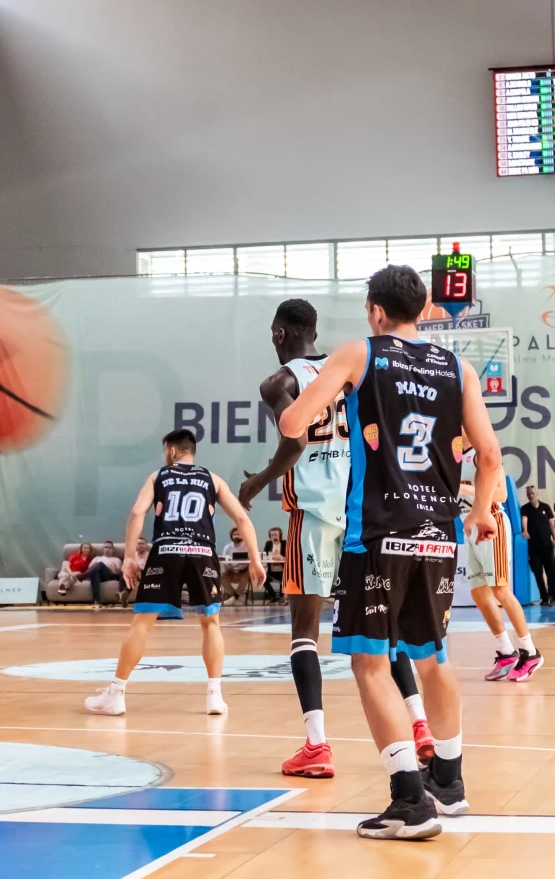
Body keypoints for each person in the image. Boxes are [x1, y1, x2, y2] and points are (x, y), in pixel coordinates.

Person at [275, 265, 500, 841]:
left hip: (376, 532)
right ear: (424, 310)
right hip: (436, 531)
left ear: (375, 310)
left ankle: (408, 798)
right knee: (432, 656)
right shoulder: (459, 367)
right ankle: (448, 783)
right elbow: (491, 459)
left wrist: (301, 409)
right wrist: (478, 514)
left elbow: (296, 420)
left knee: (369, 662)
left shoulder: (359, 352)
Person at [240, 298, 360, 776]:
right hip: (354, 512)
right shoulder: (347, 372)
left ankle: (317, 745)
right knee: (377, 629)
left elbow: (295, 440)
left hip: (310, 513)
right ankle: (418, 729)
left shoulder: (280, 382)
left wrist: (257, 481)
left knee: (305, 633)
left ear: (279, 333)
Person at [86, 427, 264, 720]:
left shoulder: (159, 476)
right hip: (202, 553)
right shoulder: (212, 479)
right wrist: (255, 558)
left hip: (166, 551)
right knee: (211, 624)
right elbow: (242, 517)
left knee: (142, 624)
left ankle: (116, 694)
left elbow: (136, 513)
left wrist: (129, 557)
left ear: (171, 451)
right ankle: (214, 695)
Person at [461, 468, 543, 681]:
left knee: (500, 590)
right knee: (478, 593)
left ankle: (530, 651)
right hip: (469, 527)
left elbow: (501, 495)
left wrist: (463, 488)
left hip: (492, 523)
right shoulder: (452, 452)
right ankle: (507, 652)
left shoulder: (484, 453)